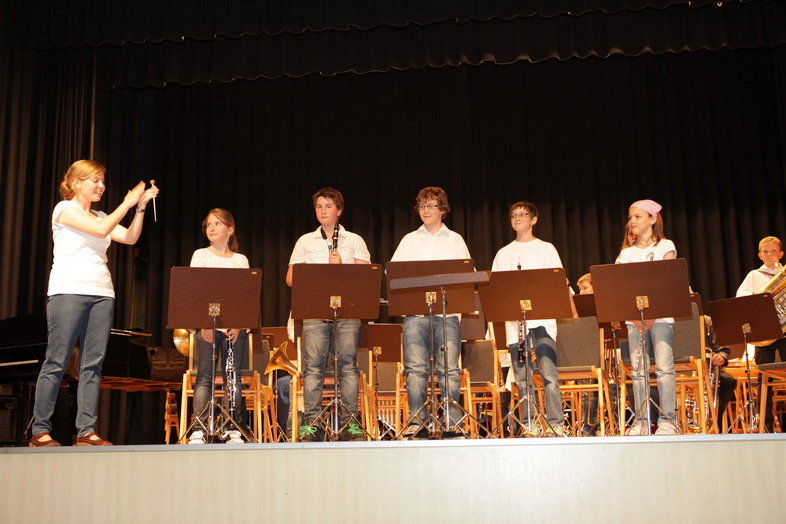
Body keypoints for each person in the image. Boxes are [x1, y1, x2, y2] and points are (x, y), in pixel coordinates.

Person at [29, 160, 158, 447]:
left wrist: (139, 208)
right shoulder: (64, 209)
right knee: (57, 361)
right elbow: (100, 231)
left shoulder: (101, 215)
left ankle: (86, 431)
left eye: (102, 181)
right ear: (76, 183)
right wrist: (126, 202)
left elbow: (129, 237)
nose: (101, 186)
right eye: (95, 181)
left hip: (102, 293)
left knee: (93, 365)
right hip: (68, 291)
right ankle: (40, 430)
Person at [286, 187, 371, 441]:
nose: (323, 211)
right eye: (319, 206)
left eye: (328, 206)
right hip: (314, 310)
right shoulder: (305, 241)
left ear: (339, 211)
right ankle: (311, 425)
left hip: (347, 312)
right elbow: (290, 279)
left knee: (348, 367)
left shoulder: (354, 240)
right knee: (312, 369)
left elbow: (367, 278)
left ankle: (350, 424)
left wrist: (342, 268)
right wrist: (318, 273)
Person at [391, 186, 470, 439]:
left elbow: (467, 274)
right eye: (421, 205)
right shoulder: (409, 240)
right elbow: (393, 273)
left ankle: (452, 423)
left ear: (443, 209)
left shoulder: (455, 240)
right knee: (415, 370)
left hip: (447, 315)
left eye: (431, 205)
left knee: (449, 370)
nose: (425, 210)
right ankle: (418, 422)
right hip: (415, 315)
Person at [491, 201, 568, 437]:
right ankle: (529, 424)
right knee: (523, 378)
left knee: (549, 374)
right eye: (514, 215)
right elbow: (496, 288)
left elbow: (557, 281)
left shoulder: (546, 249)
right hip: (515, 324)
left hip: (542, 321)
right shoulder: (503, 253)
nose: (517, 218)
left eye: (523, 214)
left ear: (534, 220)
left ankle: (556, 423)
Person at [188, 209, 250, 445]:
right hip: (208, 327)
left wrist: (239, 324)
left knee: (232, 378)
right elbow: (195, 291)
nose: (211, 228)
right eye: (209, 224)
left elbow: (244, 295)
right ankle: (199, 428)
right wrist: (204, 323)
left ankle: (233, 428)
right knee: (205, 377)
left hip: (234, 329)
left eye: (217, 224)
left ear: (230, 229)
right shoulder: (200, 255)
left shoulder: (240, 260)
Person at [616, 199, 678, 435]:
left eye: (637, 216)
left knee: (664, 369)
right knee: (638, 371)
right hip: (635, 321)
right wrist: (633, 315)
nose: (632, 221)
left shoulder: (665, 246)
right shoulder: (627, 253)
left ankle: (667, 420)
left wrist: (653, 312)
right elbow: (620, 286)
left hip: (661, 318)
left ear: (652, 219)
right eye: (630, 217)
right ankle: (641, 421)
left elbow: (666, 281)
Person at [735, 236, 786, 432]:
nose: (769, 254)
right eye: (765, 251)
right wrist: (763, 296)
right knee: (764, 379)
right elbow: (741, 297)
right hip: (764, 333)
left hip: (784, 331)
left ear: (780, 254)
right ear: (759, 255)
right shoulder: (754, 275)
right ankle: (765, 425)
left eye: (773, 251)